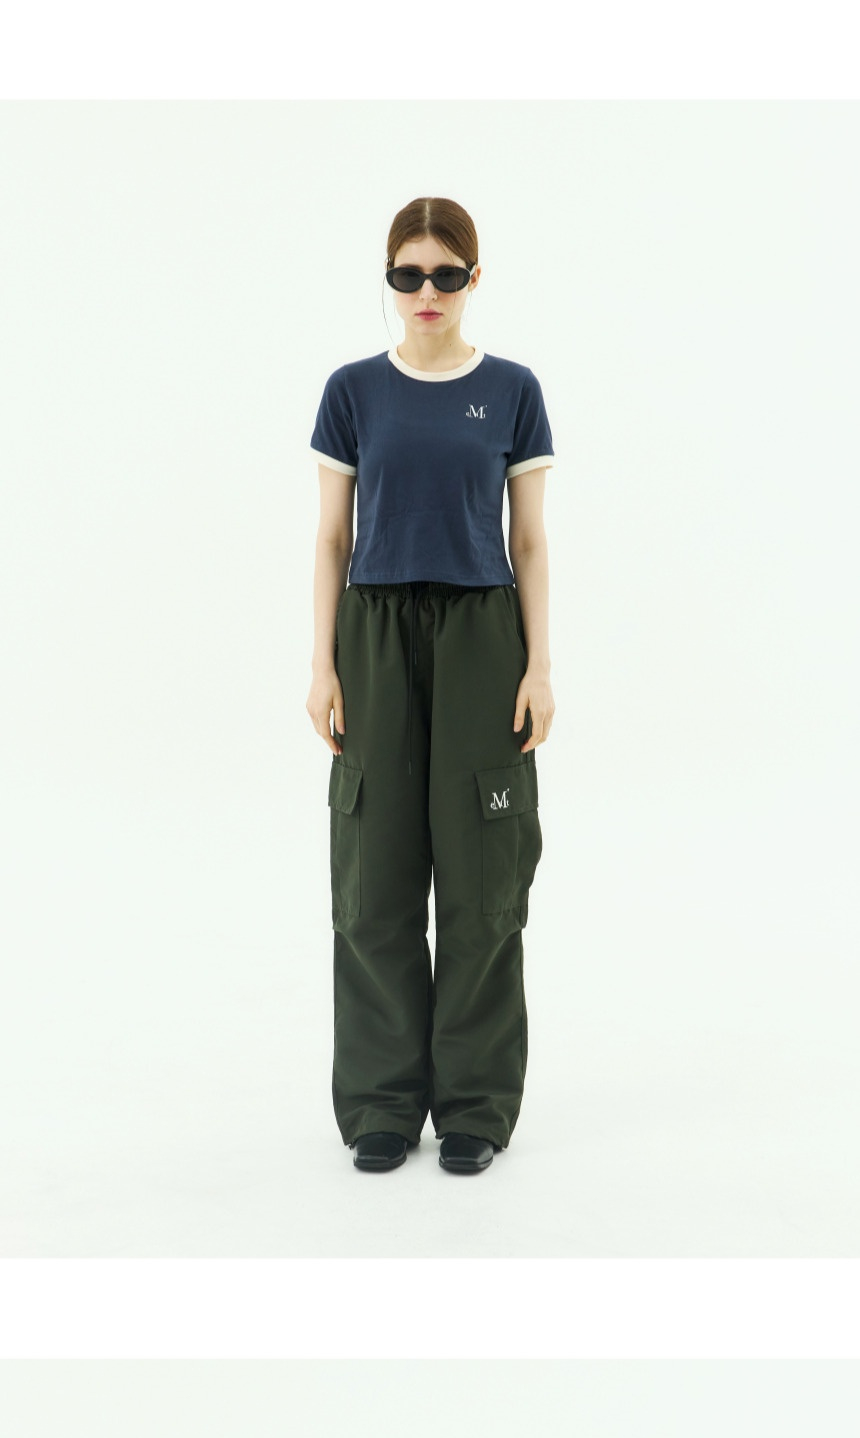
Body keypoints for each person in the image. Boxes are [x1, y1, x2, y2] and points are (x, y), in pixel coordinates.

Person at [308, 193, 553, 1175]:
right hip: (372, 633)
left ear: (472, 278)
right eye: (407, 273)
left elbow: (529, 541)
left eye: (445, 273)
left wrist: (539, 665)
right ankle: (380, 1102)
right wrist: (321, 662)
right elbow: (331, 537)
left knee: (484, 878)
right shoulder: (352, 392)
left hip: (482, 634)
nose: (426, 290)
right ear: (388, 278)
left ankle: (474, 1107)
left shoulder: (512, 390)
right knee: (373, 875)